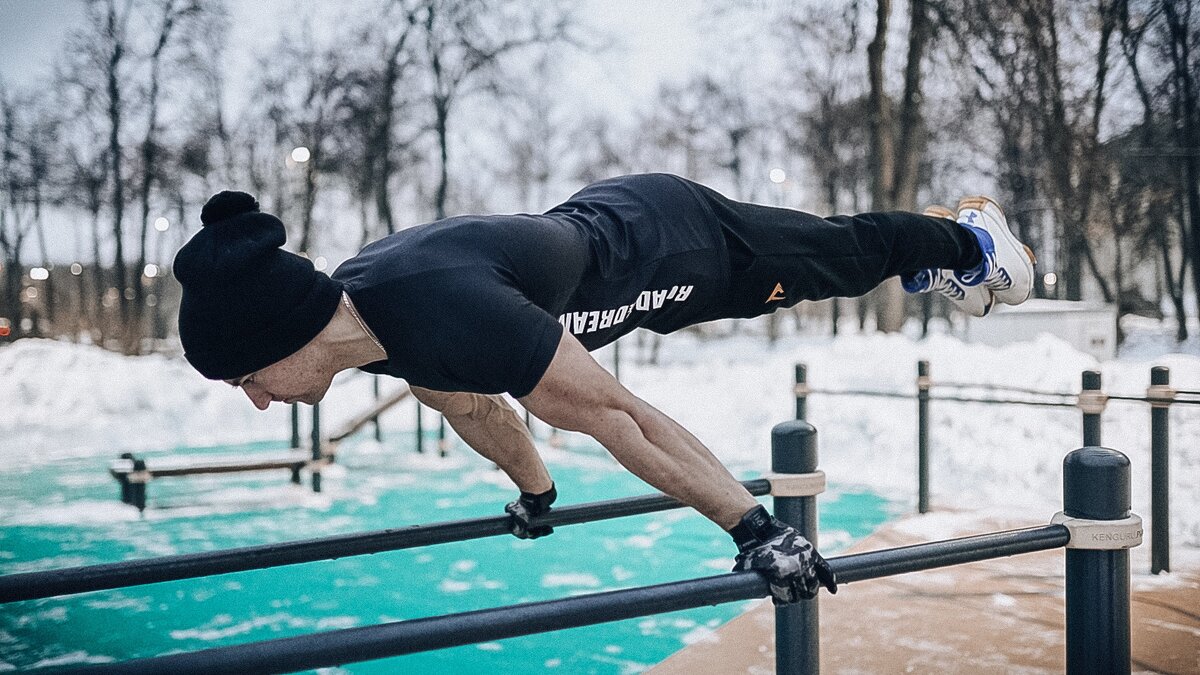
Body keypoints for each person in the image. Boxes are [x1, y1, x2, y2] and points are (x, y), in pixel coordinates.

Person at [173, 173, 1035, 604]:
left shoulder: (444, 310)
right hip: (606, 253)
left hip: (675, 244)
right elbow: (474, 406)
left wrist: (758, 528)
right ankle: (939, 249)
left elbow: (622, 418)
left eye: (249, 378)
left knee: (833, 260)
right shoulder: (378, 335)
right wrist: (535, 490)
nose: (257, 399)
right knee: (829, 262)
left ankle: (968, 242)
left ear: (282, 339)